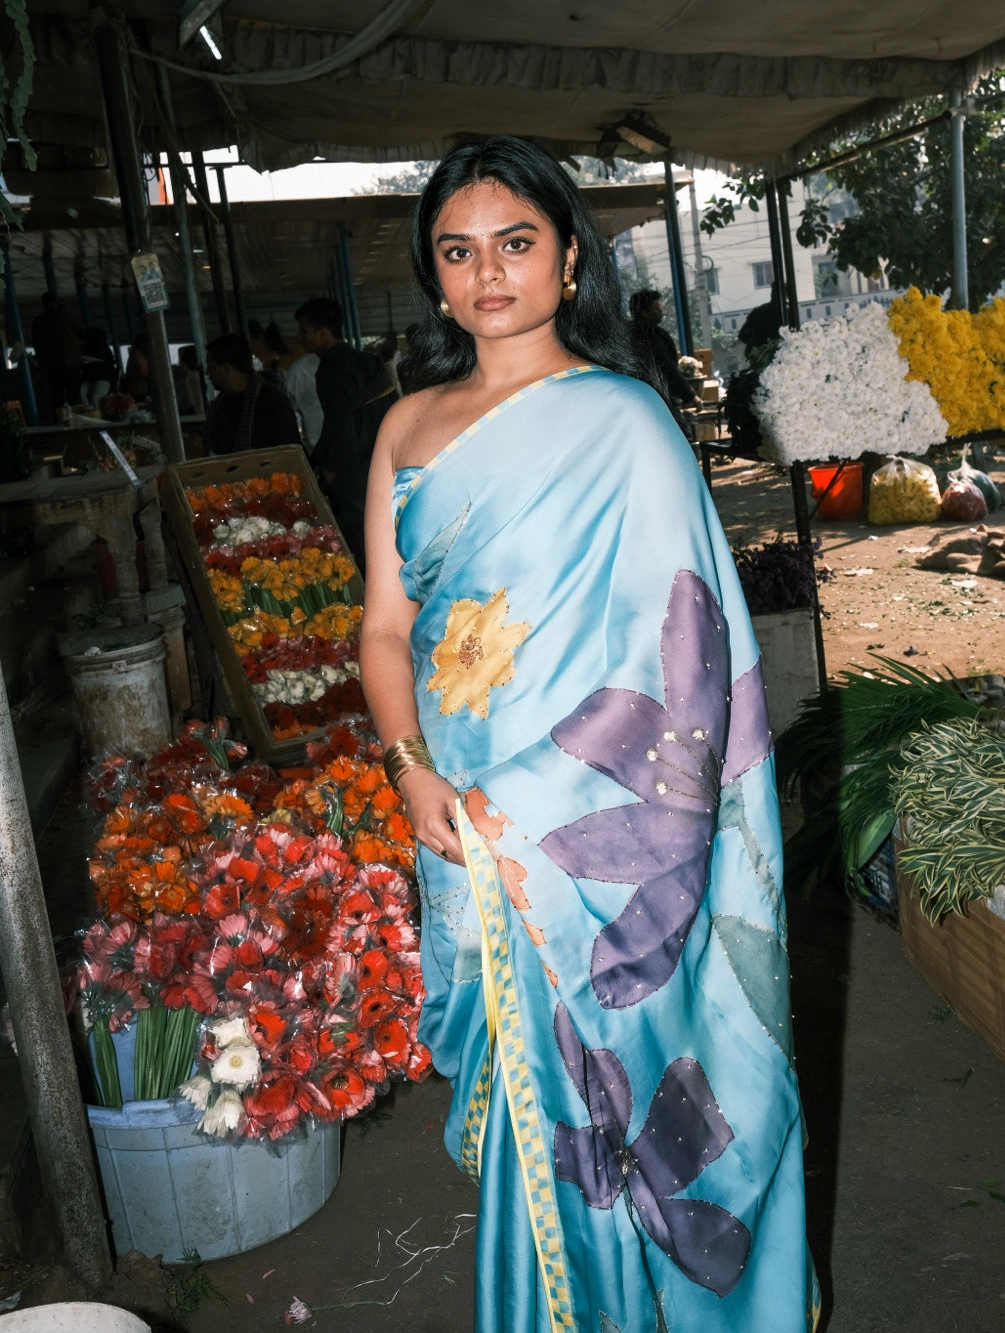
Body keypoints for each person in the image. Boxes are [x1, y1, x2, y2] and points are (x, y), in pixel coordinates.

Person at [360, 138, 817, 1333]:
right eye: (457, 252)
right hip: (453, 808)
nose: (486, 275)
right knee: (523, 1104)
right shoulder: (406, 426)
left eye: (514, 245)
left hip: (585, 836)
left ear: (567, 262)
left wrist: (528, 802)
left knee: (596, 1086)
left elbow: (684, 656)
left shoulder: (624, 423)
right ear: (435, 276)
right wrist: (411, 772)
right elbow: (383, 632)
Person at [296, 297, 396, 569]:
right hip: (382, 460)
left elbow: (340, 423)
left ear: (323, 333)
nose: (300, 338)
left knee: (362, 540)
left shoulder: (331, 368)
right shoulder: (365, 361)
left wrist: (329, 467)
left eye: (304, 331)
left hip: (353, 469)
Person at [203, 332, 302, 455]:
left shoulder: (271, 400)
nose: (207, 372)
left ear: (227, 368)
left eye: (211, 367)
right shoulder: (220, 404)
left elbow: (291, 449)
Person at [630, 288, 699, 433]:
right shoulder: (652, 336)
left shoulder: (629, 335)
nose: (660, 312)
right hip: (662, 399)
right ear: (643, 312)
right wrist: (690, 395)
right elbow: (667, 368)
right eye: (655, 308)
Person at [31, 293, 85, 412]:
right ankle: (77, 422)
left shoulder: (39, 321)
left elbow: (36, 343)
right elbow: (83, 330)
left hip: (52, 366)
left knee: (57, 398)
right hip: (71, 363)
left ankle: (61, 423)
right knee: (74, 396)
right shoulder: (66, 315)